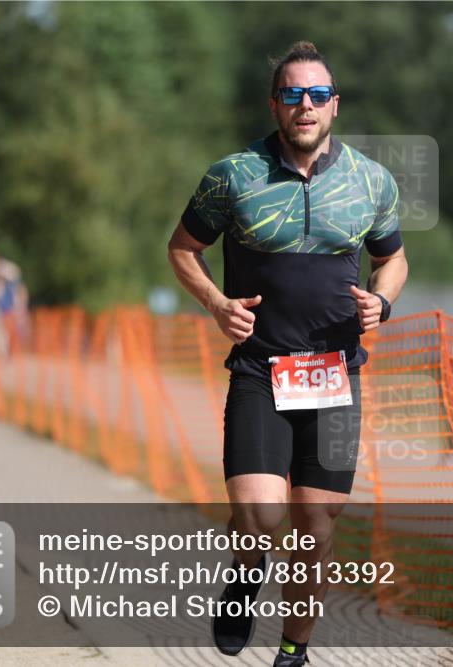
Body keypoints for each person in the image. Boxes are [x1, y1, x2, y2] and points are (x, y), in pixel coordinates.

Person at [167, 41, 408, 666]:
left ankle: (294, 652)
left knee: (315, 531)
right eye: (294, 94)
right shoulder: (234, 175)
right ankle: (245, 579)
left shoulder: (369, 180)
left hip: (334, 375)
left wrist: (382, 302)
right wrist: (218, 304)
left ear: (334, 105)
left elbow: (393, 259)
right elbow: (181, 249)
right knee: (259, 518)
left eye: (318, 95)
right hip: (259, 369)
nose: (306, 106)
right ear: (275, 104)